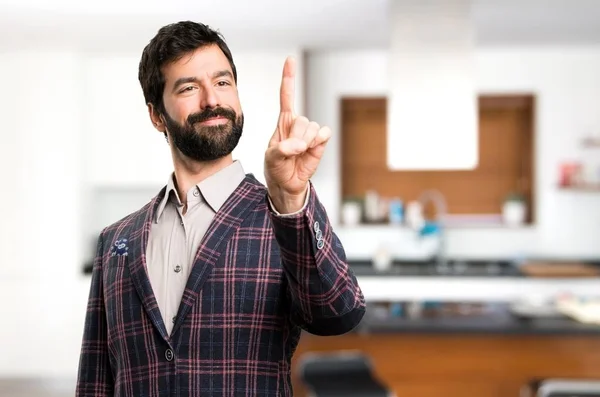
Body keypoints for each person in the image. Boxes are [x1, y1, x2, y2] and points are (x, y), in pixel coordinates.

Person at [75, 20, 366, 397]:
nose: (212, 99)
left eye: (223, 82)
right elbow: (95, 381)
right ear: (157, 115)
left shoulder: (280, 216)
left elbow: (338, 313)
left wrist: (292, 200)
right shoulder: (117, 241)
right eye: (189, 87)